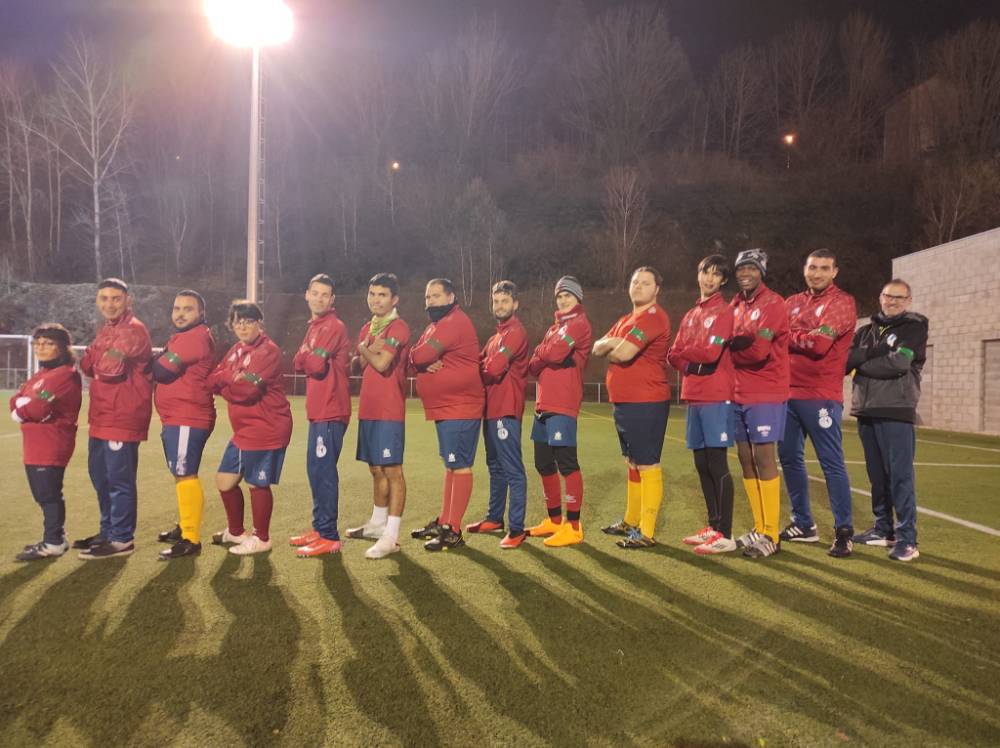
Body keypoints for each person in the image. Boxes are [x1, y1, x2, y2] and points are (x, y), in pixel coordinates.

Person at [779, 250, 858, 558]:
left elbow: (820, 344)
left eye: (824, 268)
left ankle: (844, 531)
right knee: (789, 459)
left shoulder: (842, 303)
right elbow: (777, 337)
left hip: (820, 394)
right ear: (804, 269)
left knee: (831, 462)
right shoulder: (791, 302)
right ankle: (803, 523)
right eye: (812, 267)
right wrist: (802, 334)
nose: (817, 273)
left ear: (834, 272)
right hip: (787, 393)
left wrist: (791, 335)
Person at [846, 279, 928, 562]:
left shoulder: (914, 327)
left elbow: (899, 364)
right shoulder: (864, 331)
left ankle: (907, 539)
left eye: (899, 297)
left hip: (896, 409)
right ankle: (883, 529)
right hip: (865, 410)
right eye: (888, 296)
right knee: (877, 476)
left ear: (908, 300)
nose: (892, 301)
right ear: (880, 297)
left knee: (900, 476)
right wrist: (862, 360)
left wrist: (861, 364)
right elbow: (844, 362)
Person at [593, 267, 672, 549]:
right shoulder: (626, 320)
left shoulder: (654, 316)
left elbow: (624, 353)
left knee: (647, 463)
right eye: (635, 282)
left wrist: (616, 344)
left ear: (656, 289)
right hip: (625, 401)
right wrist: (615, 341)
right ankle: (631, 520)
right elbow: (596, 348)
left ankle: (646, 532)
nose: (638, 286)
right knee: (632, 462)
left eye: (645, 283)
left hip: (646, 400)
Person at [75, 278, 153, 560]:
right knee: (100, 476)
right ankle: (107, 531)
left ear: (128, 300)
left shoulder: (133, 330)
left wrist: (97, 357)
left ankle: (121, 539)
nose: (109, 304)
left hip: (123, 416)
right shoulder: (106, 330)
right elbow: (87, 365)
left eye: (116, 298)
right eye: (104, 298)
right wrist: (99, 358)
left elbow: (109, 369)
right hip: (101, 415)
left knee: (119, 480)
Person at [667, 255, 739, 555]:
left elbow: (711, 354)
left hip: (716, 394)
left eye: (716, 274)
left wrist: (688, 353)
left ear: (723, 280)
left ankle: (726, 534)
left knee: (717, 462)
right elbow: (672, 354)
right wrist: (690, 361)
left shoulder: (725, 312)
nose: (709, 279)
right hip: (694, 394)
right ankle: (712, 525)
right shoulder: (691, 314)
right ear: (698, 275)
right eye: (705, 273)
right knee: (701, 463)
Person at [209, 300, 293, 555]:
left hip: (267, 427)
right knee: (224, 481)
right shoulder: (236, 350)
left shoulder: (268, 351)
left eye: (249, 321)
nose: (243, 327)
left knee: (257, 483)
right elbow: (212, 380)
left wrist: (227, 384)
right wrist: (229, 377)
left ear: (259, 323)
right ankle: (236, 531)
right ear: (232, 325)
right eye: (238, 322)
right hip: (243, 431)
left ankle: (262, 538)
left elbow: (247, 391)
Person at [409, 278, 485, 551]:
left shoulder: (454, 322)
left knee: (459, 464)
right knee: (451, 464)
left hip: (460, 406)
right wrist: (419, 360)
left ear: (451, 297)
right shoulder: (435, 325)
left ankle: (453, 531)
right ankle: (444, 521)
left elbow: (421, 355)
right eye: (428, 297)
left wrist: (419, 360)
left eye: (436, 296)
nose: (430, 301)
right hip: (447, 407)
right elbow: (415, 355)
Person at [729, 250, 789, 559]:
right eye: (741, 268)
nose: (745, 273)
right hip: (738, 391)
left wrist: (727, 352)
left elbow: (759, 351)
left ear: (762, 272)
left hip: (765, 391)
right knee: (744, 458)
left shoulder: (773, 304)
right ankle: (758, 526)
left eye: (752, 268)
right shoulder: (735, 305)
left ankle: (771, 534)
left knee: (764, 458)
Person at [526, 276, 592, 547]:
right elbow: (533, 366)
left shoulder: (579, 324)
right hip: (542, 404)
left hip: (563, 404)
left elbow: (550, 355)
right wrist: (546, 351)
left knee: (567, 464)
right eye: (560, 296)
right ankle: (554, 520)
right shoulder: (555, 329)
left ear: (578, 298)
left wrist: (544, 352)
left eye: (568, 295)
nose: (563, 300)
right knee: (543, 463)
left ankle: (573, 527)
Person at [289, 274, 352, 557]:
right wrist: (308, 354)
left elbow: (313, 365)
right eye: (315, 293)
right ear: (307, 295)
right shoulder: (314, 327)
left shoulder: (333, 326)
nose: (319, 298)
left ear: (332, 299)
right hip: (318, 411)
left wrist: (309, 355)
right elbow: (297, 361)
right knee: (315, 470)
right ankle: (319, 528)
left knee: (324, 472)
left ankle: (329, 536)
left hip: (331, 409)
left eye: (324, 294)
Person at [350, 272, 411, 559]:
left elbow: (382, 363)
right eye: (372, 294)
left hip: (389, 410)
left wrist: (364, 349)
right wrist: (365, 351)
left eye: (382, 295)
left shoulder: (398, 327)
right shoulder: (368, 328)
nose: (376, 300)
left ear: (394, 299)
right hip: (368, 408)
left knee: (392, 471)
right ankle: (377, 524)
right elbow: (357, 365)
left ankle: (391, 536)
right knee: (375, 469)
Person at [153, 290, 217, 560]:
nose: (180, 314)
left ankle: (191, 538)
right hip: (178, 417)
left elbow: (161, 370)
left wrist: (152, 360)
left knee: (185, 473)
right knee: (181, 473)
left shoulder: (195, 337)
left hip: (187, 417)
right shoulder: (186, 336)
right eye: (176, 308)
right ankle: (185, 525)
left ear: (201, 313)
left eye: (187, 309)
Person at [10, 324, 83, 561]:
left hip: (52, 443)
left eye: (48, 343)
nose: (41, 348)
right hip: (35, 444)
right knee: (43, 494)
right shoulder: (41, 375)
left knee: (48, 494)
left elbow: (39, 408)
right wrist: (24, 406)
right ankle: (56, 537)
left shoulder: (65, 375)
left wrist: (23, 409)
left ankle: (53, 543)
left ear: (62, 348)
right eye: (38, 343)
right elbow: (16, 399)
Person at [468, 280, 530, 549]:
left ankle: (517, 528)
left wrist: (482, 368)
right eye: (496, 301)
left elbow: (492, 369)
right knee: (495, 466)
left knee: (512, 468)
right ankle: (494, 518)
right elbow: (479, 364)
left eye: (505, 301)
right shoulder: (495, 338)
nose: (500, 305)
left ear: (515, 304)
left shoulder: (516, 332)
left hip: (506, 409)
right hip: (490, 410)